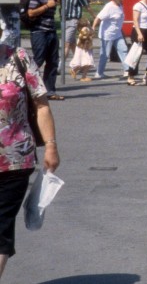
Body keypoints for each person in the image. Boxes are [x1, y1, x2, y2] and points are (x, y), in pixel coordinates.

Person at [0, 41, 60, 277]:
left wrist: (51, 147)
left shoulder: (18, 57)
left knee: (1, 226)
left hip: (15, 160)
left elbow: (41, 105)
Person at [20, 0, 64, 101]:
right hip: (39, 32)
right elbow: (31, 13)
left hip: (51, 31)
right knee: (38, 60)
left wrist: (55, 1)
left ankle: (50, 90)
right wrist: (46, 6)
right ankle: (24, 86)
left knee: (53, 61)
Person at [90, 0, 128, 81]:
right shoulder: (109, 7)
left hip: (117, 33)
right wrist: (93, 28)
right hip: (107, 34)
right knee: (105, 54)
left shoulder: (120, 5)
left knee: (124, 50)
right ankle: (99, 73)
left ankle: (127, 70)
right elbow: (98, 18)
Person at [61, 0, 90, 65]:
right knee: (73, 44)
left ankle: (59, 66)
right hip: (64, 20)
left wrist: (95, 16)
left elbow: (86, 5)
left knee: (66, 44)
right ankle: (79, 63)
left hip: (73, 20)